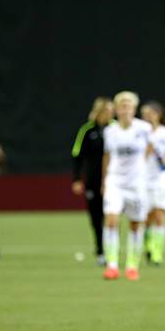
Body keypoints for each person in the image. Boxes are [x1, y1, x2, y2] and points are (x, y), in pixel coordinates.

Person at [101, 91, 152, 281]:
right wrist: (104, 181)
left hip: (136, 184)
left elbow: (151, 147)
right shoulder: (110, 131)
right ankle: (112, 265)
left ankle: (132, 266)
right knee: (112, 221)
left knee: (135, 224)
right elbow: (106, 157)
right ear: (116, 109)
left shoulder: (144, 129)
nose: (125, 109)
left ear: (134, 109)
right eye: (122, 106)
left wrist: (142, 168)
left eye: (128, 106)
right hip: (115, 182)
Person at [71, 97, 115, 266]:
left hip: (113, 180)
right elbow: (77, 156)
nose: (111, 113)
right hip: (92, 180)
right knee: (96, 217)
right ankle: (100, 250)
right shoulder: (87, 130)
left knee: (111, 216)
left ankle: (111, 250)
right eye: (108, 110)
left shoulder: (115, 128)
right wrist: (76, 179)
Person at [141, 101, 165, 265]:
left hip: (161, 178)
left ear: (159, 115)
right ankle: (147, 243)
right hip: (144, 179)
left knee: (159, 214)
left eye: (152, 114)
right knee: (147, 217)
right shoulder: (139, 133)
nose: (149, 117)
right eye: (146, 115)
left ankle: (157, 253)